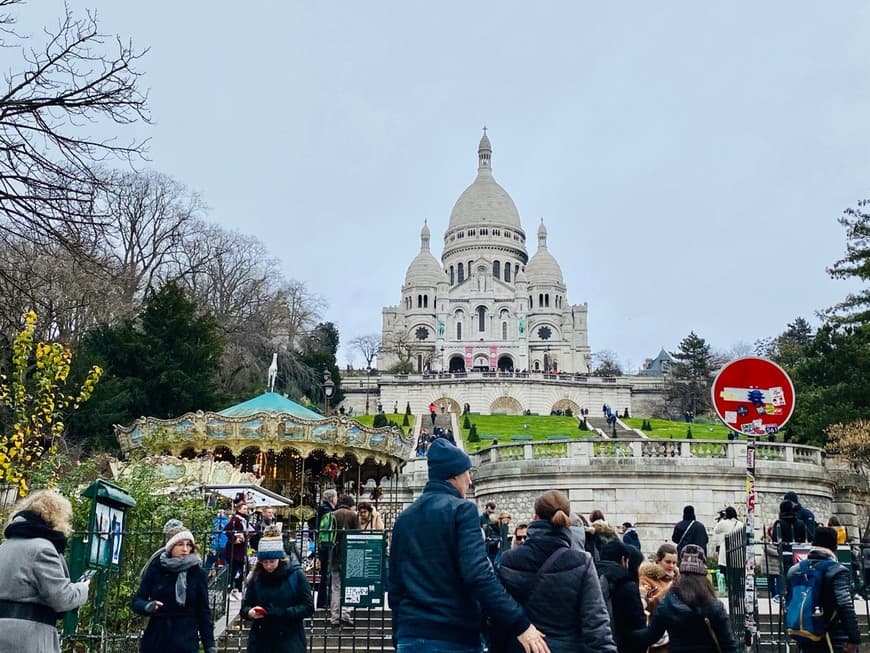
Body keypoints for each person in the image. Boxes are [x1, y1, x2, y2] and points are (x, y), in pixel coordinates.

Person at [389, 438, 550, 653]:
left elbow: (395, 587)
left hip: (410, 637)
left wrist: (400, 635)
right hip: (453, 636)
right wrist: (520, 623)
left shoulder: (404, 518)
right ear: (454, 475)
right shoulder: (462, 510)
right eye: (467, 473)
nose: (470, 480)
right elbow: (478, 575)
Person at [496, 489, 616, 653]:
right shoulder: (582, 561)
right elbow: (596, 622)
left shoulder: (508, 559)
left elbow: (497, 616)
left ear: (535, 517)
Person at [0, 490, 91, 653]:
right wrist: (82, 588)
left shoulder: (4, 547)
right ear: (56, 517)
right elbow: (61, 598)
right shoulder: (43, 549)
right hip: (29, 637)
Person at [630, 544, 736, 653]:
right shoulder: (714, 605)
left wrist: (625, 633)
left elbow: (650, 636)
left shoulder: (669, 602)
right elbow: (728, 645)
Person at [132, 528, 216, 653]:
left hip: (185, 641)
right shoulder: (156, 569)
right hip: (157, 639)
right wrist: (147, 606)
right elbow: (137, 601)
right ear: (171, 546)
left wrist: (209, 645)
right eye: (180, 544)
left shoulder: (197, 573)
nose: (185, 549)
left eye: (188, 545)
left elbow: (203, 612)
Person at [785, 527, 860, 653]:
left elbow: (789, 600)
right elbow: (845, 605)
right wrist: (854, 637)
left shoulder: (795, 570)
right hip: (832, 636)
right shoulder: (837, 570)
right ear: (834, 547)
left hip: (804, 634)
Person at [241, 527, 314, 653]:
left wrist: (282, 613)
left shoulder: (295, 575)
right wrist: (250, 612)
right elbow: (245, 606)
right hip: (261, 641)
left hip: (290, 640)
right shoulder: (257, 577)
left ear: (280, 559)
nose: (268, 566)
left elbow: (308, 607)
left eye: (272, 562)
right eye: (264, 562)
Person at [597, 540, 646, 653]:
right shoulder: (627, 585)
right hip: (622, 646)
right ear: (624, 560)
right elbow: (638, 625)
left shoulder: (590, 578)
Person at [330, 495, 359, 627]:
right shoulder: (353, 515)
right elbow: (357, 535)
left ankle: (335, 616)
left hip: (334, 555)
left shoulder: (332, 514)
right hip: (349, 554)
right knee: (349, 586)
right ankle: (345, 614)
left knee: (336, 587)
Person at [225, 500, 253, 601]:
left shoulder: (244, 519)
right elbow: (227, 530)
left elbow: (250, 530)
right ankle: (232, 589)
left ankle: (237, 589)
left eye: (246, 509)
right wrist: (234, 539)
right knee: (234, 571)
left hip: (241, 550)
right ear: (239, 509)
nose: (246, 510)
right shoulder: (236, 519)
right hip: (235, 550)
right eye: (244, 509)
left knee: (242, 570)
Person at [315, 489, 337, 609]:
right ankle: (324, 601)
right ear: (332, 499)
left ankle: (323, 601)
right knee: (327, 575)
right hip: (327, 546)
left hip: (323, 546)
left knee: (325, 574)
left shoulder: (322, 510)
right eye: (336, 497)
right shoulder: (328, 511)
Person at [713, 506, 742, 576]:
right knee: (736, 577)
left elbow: (716, 530)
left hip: (725, 556)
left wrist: (721, 519)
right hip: (737, 555)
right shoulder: (740, 524)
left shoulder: (724, 523)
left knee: (725, 576)